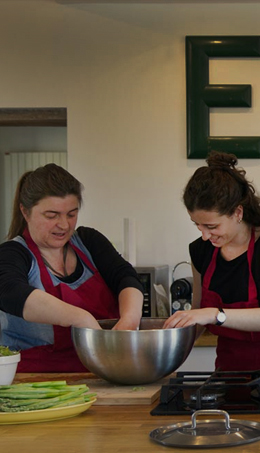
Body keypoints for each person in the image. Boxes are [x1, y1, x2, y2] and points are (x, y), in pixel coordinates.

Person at [0, 164, 144, 373]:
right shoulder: (13, 253)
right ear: (25, 211)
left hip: (105, 372)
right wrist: (81, 318)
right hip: (36, 382)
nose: (64, 225)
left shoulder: (88, 241)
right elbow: (10, 291)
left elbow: (125, 277)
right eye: (52, 216)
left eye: (71, 214)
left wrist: (130, 320)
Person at [164, 151, 260, 371]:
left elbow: (207, 313)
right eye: (197, 225)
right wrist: (168, 350)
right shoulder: (201, 251)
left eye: (212, 226)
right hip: (228, 375)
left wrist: (216, 315)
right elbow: (198, 311)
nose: (205, 236)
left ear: (237, 213)